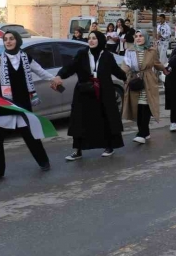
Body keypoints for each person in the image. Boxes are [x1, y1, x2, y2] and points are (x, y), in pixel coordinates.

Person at [51, 31, 127, 160]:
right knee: (80, 120)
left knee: (105, 118)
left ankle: (109, 146)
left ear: (100, 41)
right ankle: (78, 150)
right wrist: (59, 75)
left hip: (103, 91)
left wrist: (127, 77)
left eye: (94, 38)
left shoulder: (107, 56)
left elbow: (117, 71)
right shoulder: (82, 54)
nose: (91, 41)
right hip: (84, 91)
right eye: (89, 38)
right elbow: (70, 67)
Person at [0, 31, 53, 179]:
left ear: (17, 41)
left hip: (22, 105)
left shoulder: (27, 58)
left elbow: (41, 72)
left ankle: (44, 162)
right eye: (5, 39)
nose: (8, 42)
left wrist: (54, 79)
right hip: (4, 105)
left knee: (30, 135)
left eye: (11, 39)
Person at [121, 30, 167, 144]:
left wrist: (165, 70)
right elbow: (126, 65)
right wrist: (122, 74)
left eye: (141, 36)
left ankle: (141, 133)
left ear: (146, 38)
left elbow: (157, 63)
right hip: (135, 81)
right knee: (138, 108)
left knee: (146, 106)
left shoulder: (152, 51)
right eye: (136, 36)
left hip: (148, 81)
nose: (138, 38)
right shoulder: (129, 51)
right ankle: (145, 132)